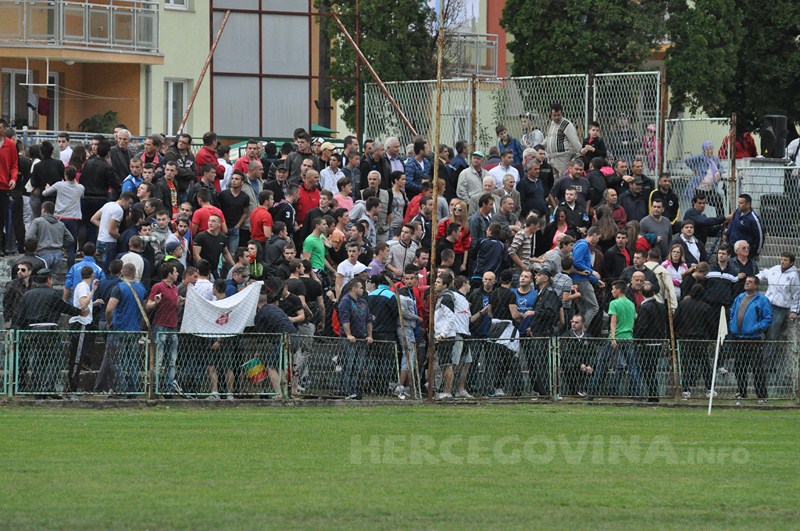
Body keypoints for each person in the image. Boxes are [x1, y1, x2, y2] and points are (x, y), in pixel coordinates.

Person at [14, 269, 86, 394]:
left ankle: (37, 389)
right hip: (49, 329)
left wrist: (21, 330)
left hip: (33, 330)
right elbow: (64, 308)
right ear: (49, 280)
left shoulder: (28, 295)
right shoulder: (53, 294)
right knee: (54, 360)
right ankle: (48, 388)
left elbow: (20, 315)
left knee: (37, 361)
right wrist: (80, 312)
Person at [590, 280, 640, 398]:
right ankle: (638, 393)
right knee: (632, 367)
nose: (612, 291)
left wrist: (613, 337)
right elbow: (633, 322)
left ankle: (592, 391)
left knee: (601, 364)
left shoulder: (614, 303)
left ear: (618, 290)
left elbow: (613, 321)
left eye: (613, 289)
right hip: (628, 337)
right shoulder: (631, 304)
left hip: (616, 336)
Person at [757, 252, 800, 387]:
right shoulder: (774, 269)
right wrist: (756, 278)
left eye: (785, 260)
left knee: (772, 335)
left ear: (791, 262)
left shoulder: (793, 276)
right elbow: (764, 274)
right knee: (759, 330)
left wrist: (794, 311)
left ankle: (765, 364)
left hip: (781, 309)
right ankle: (756, 359)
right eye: (781, 259)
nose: (782, 262)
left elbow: (797, 295)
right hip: (767, 304)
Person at [104, 263, 147, 395]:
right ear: (134, 274)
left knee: (117, 361)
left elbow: (110, 308)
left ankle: (121, 389)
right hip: (134, 329)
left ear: (122, 272)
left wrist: (109, 322)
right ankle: (133, 391)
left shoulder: (119, 288)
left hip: (120, 328)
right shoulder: (141, 288)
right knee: (133, 361)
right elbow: (144, 308)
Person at [729, 276, 772, 402]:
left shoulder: (762, 300)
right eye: (746, 281)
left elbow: (767, 318)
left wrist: (756, 328)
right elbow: (732, 313)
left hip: (754, 339)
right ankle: (742, 392)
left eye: (750, 282)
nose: (747, 283)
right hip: (738, 338)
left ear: (756, 285)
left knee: (756, 367)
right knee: (739, 367)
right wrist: (733, 325)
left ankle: (762, 395)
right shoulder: (739, 297)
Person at [674, 284, 716, 399]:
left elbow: (675, 321)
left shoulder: (683, 305)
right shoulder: (706, 307)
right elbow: (711, 325)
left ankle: (686, 389)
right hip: (701, 340)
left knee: (685, 364)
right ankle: (709, 388)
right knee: (704, 364)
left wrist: (677, 334)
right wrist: (712, 339)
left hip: (685, 339)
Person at [147, 262, 182, 395]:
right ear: (169, 274)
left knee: (172, 360)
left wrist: (179, 304)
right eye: (175, 271)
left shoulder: (175, 288)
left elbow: (175, 308)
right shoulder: (158, 287)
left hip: (173, 326)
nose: (177, 273)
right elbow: (148, 305)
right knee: (159, 359)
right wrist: (156, 302)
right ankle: (155, 388)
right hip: (161, 325)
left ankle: (168, 389)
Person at [338, 278, 373, 399]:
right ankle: (345, 390)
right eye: (361, 287)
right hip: (348, 340)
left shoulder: (363, 302)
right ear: (354, 288)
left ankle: (354, 389)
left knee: (358, 367)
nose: (363, 290)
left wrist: (369, 335)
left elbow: (368, 320)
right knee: (348, 365)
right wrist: (348, 334)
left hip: (361, 339)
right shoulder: (345, 301)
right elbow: (344, 319)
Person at [633, 282, 668, 402]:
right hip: (658, 341)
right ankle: (653, 394)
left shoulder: (645, 307)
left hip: (647, 343)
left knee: (648, 370)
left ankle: (653, 394)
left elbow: (643, 325)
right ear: (654, 293)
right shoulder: (661, 306)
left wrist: (637, 338)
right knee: (652, 369)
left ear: (641, 293)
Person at [570, 227, 605, 329]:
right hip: (581, 281)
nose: (598, 240)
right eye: (598, 237)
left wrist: (596, 280)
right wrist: (592, 272)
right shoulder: (583, 246)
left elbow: (584, 266)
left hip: (580, 280)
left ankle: (576, 331)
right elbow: (577, 262)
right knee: (594, 307)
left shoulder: (580, 244)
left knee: (583, 308)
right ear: (594, 235)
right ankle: (581, 330)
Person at [26, 201, 74, 270]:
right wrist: (60, 244)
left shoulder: (37, 221)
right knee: (52, 278)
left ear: (43, 210)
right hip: (58, 255)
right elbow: (70, 239)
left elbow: (30, 237)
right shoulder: (60, 224)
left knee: (42, 277)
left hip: (43, 253)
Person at [685, 141, 726, 215]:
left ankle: (721, 221)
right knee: (697, 206)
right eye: (707, 149)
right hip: (699, 188)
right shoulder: (700, 157)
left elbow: (722, 168)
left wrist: (719, 172)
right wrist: (694, 169)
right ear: (704, 150)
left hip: (710, 189)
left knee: (719, 201)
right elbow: (687, 161)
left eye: (711, 148)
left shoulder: (715, 159)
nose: (710, 151)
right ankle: (695, 221)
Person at [543, 102, 581, 176]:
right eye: (554, 115)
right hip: (551, 157)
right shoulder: (551, 124)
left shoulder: (566, 124)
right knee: (554, 181)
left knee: (563, 178)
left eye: (558, 115)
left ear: (562, 113)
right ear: (550, 114)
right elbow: (548, 138)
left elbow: (574, 140)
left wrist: (581, 151)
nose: (556, 117)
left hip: (563, 158)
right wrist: (539, 146)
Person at [725, 194, 764, 260]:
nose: (739, 205)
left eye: (741, 203)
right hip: (732, 247)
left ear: (748, 204)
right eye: (738, 203)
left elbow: (760, 237)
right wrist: (726, 234)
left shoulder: (753, 219)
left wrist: (756, 252)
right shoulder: (737, 211)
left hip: (745, 251)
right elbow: (732, 223)